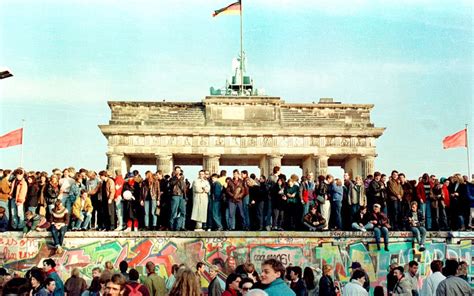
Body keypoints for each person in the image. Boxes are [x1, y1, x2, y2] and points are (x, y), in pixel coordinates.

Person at [169, 166, 187, 231]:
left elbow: (184, 189)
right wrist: (177, 178)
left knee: (183, 212)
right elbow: (172, 184)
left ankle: (180, 226)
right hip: (175, 195)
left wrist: (185, 197)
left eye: (179, 170)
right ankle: (172, 226)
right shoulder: (172, 179)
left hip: (182, 196)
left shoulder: (183, 179)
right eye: (177, 170)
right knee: (174, 211)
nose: (178, 172)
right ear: (175, 171)